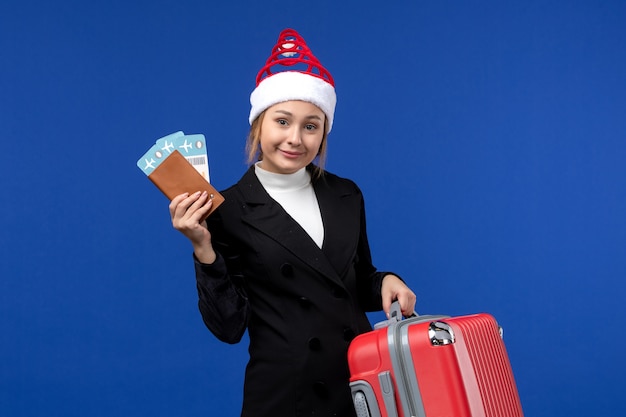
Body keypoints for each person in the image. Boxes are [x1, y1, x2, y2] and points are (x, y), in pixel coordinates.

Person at [169, 28, 416, 417]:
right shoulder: (228, 209)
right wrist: (203, 248)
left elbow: (354, 282)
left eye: (310, 125)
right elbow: (228, 328)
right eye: (282, 121)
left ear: (323, 132)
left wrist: (385, 280)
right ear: (259, 126)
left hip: (363, 381)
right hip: (287, 395)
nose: (295, 138)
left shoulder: (346, 194)